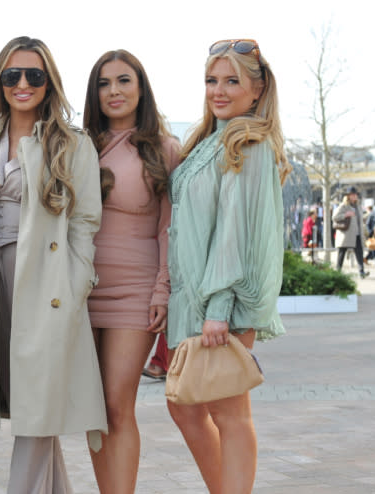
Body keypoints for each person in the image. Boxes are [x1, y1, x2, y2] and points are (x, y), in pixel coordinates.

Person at [0, 36, 106, 494]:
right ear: (0, 81)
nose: (23, 83)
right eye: (13, 75)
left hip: (46, 285)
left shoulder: (72, 143)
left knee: (38, 403)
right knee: (32, 402)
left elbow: (85, 222)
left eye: (34, 74)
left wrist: (74, 284)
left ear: (49, 82)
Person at [167, 39, 288, 493]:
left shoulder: (248, 143)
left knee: (228, 411)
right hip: (193, 296)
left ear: (257, 90)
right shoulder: (207, 141)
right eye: (211, 80)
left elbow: (234, 231)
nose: (218, 90)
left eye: (231, 81)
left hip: (224, 300)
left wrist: (218, 307)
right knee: (185, 405)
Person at [81, 49, 180, 494]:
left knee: (116, 403)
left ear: (141, 88)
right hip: (80, 289)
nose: (114, 91)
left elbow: (169, 227)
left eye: (124, 80)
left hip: (136, 290)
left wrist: (163, 290)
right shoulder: (80, 145)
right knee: (91, 407)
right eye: (104, 83)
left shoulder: (163, 148)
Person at [333, 187, 369, 277]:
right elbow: (335, 217)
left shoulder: (358, 206)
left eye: (355, 195)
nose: (354, 196)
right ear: (348, 196)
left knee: (359, 252)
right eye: (352, 195)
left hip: (357, 233)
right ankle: (338, 271)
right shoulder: (343, 205)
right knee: (342, 252)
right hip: (346, 233)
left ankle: (361, 271)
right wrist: (345, 215)